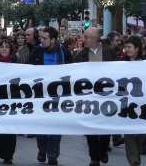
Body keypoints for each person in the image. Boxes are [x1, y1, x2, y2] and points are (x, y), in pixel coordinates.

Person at [74, 26, 116, 166]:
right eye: (84, 36)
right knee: (90, 128)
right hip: (88, 97)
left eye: (87, 37)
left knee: (105, 127)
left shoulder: (110, 52)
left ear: (96, 39)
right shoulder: (80, 56)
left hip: (107, 96)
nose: (84, 39)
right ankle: (94, 158)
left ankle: (103, 150)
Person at [31, 26, 71, 166]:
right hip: (40, 95)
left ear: (53, 40)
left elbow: (73, 70)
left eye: (44, 38)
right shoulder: (36, 51)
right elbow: (27, 70)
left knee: (55, 125)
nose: (41, 41)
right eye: (40, 38)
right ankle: (42, 150)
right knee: (41, 125)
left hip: (58, 96)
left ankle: (53, 154)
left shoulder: (64, 52)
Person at [0, 37, 18, 164]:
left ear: (10, 49)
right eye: (2, 47)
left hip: (12, 100)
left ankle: (8, 155)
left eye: (7, 47)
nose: (4, 49)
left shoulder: (16, 63)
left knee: (10, 129)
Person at [122, 36, 145, 166]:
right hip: (126, 104)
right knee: (129, 133)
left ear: (137, 48)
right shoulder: (120, 63)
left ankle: (136, 156)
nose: (127, 50)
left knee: (140, 134)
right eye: (126, 47)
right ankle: (134, 160)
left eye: (129, 47)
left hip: (143, 104)